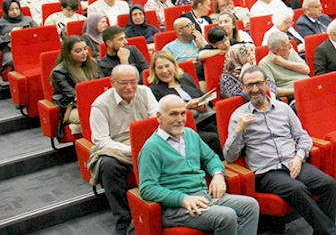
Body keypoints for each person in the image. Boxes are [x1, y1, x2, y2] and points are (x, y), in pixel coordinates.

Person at [224, 66, 336, 234]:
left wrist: (299, 158)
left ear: (266, 84)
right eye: (249, 85)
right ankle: (331, 233)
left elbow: (303, 137)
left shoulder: (283, 109)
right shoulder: (238, 116)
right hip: (267, 172)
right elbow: (230, 156)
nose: (255, 89)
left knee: (328, 183)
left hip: (293, 162)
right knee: (297, 189)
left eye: (258, 83)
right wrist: (239, 130)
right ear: (243, 88)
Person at [138, 94, 259, 235]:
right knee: (226, 217)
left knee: (250, 206)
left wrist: (218, 175)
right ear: (159, 117)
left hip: (204, 195)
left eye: (183, 113)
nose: (179, 119)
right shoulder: (151, 148)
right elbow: (147, 188)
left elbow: (211, 158)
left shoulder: (190, 134)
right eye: (173, 114)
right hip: (178, 207)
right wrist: (182, 199)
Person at [88, 64, 157, 235]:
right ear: (112, 82)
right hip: (116, 147)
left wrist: (145, 144)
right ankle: (123, 220)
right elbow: (100, 140)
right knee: (108, 165)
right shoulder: (100, 105)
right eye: (123, 83)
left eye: (133, 82)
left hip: (145, 139)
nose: (129, 87)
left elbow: (156, 120)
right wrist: (129, 150)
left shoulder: (145, 92)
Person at [146, 52, 220, 156]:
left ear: (174, 65)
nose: (164, 71)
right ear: (154, 71)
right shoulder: (154, 90)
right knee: (212, 137)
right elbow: (162, 116)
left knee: (221, 129)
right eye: (160, 68)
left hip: (204, 118)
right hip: (182, 127)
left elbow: (201, 96)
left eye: (167, 66)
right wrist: (186, 107)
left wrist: (204, 101)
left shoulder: (185, 78)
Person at [51, 36, 99, 138]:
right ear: (68, 54)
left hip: (95, 102)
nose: (84, 53)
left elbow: (101, 84)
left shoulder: (93, 63)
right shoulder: (59, 72)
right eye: (78, 51)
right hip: (72, 107)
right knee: (97, 116)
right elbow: (74, 96)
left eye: (85, 49)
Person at [259, 31, 310, 99]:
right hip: (296, 96)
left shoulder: (290, 51)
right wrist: (296, 91)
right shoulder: (264, 64)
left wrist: (283, 62)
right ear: (277, 50)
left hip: (310, 87)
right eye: (286, 45)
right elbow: (272, 89)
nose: (291, 46)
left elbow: (306, 70)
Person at [0, 0, 37, 70]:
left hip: (29, 48)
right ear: (6, 10)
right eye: (11, 9)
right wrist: (10, 35)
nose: (15, 12)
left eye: (17, 9)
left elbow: (40, 33)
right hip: (10, 50)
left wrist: (30, 33)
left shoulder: (28, 20)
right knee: (16, 61)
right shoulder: (1, 23)